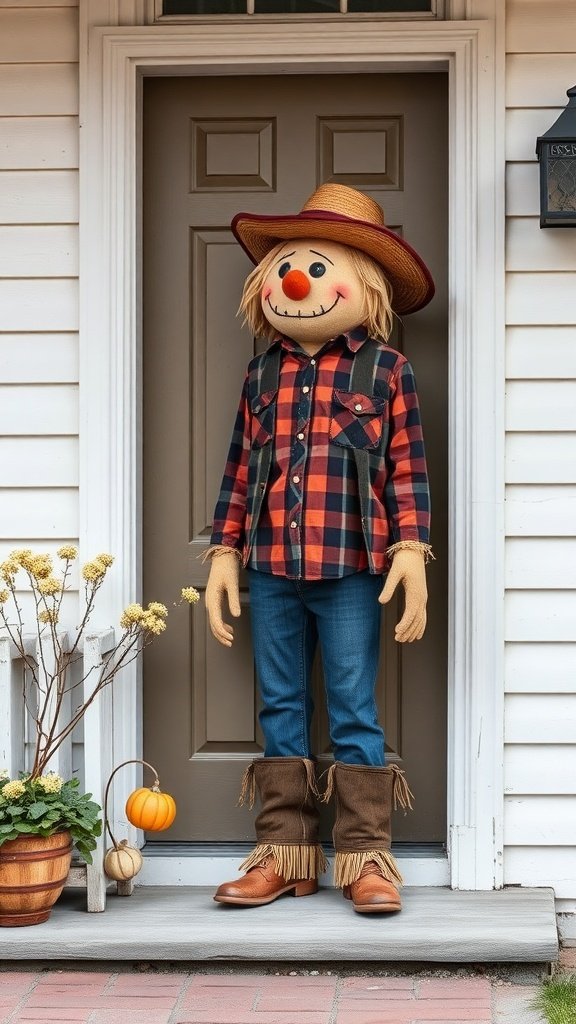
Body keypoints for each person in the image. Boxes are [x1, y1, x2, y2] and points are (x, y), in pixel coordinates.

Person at [204, 183, 434, 914]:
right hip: (271, 568)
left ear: (365, 286)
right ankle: (286, 854)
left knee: (354, 706)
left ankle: (365, 858)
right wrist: (223, 553)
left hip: (350, 571)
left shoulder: (387, 370)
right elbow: (240, 468)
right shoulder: (261, 374)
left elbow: (407, 467)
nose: (296, 282)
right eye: (286, 268)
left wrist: (411, 551)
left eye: (316, 268)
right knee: (280, 706)